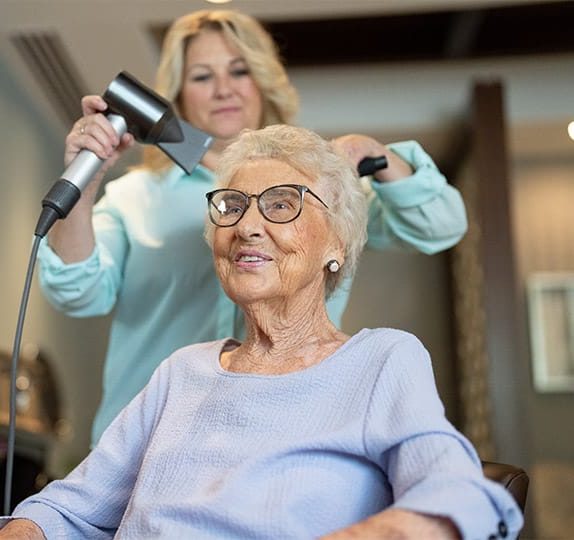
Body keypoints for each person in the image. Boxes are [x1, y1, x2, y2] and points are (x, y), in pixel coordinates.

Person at [0, 125, 521, 539]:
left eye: (283, 204)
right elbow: (64, 510)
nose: (246, 225)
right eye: (232, 206)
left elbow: (456, 496)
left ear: (337, 245)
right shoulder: (181, 372)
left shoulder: (382, 360)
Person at [39, 9, 468, 446]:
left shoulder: (324, 195)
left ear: (263, 82)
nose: (224, 88)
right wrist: (87, 180)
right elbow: (76, 291)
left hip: (284, 432)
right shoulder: (136, 198)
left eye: (239, 71)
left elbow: (441, 225)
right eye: (203, 76)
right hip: (150, 438)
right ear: (179, 94)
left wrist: (368, 151)